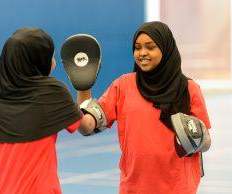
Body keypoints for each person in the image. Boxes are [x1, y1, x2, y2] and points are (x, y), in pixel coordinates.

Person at [77, 21, 211, 194]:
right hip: (133, 188)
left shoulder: (189, 89)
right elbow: (87, 126)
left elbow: (206, 143)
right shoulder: (123, 86)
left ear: (165, 48)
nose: (142, 53)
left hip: (178, 187)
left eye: (150, 47)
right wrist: (82, 86)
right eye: (137, 48)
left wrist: (196, 137)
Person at [0, 27, 85, 194]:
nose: (54, 61)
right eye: (49, 55)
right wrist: (83, 85)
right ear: (37, 61)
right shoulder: (53, 93)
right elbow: (86, 126)